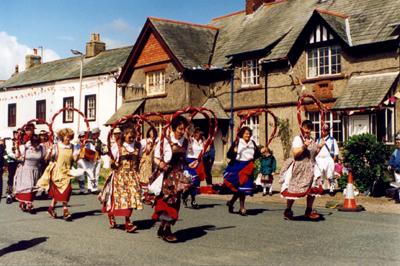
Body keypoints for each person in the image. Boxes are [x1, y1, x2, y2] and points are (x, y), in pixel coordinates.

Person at [152, 115, 192, 242]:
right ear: (173, 128)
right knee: (167, 203)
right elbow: (156, 157)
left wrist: (191, 164)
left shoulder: (185, 142)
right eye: (180, 129)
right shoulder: (165, 141)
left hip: (178, 177)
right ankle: (167, 230)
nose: (182, 131)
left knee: (175, 203)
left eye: (184, 129)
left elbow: (186, 159)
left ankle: (164, 227)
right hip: (167, 176)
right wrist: (161, 164)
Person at [280, 120, 324, 220]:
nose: (307, 130)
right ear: (302, 128)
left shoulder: (312, 139)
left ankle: (308, 210)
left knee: (313, 188)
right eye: (305, 128)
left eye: (309, 128)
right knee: (294, 189)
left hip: (311, 167)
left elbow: (313, 155)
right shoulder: (298, 139)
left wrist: (319, 147)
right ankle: (288, 210)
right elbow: (295, 154)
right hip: (300, 167)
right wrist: (304, 146)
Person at [103, 128, 143, 232]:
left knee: (133, 197)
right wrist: (113, 163)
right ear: (124, 135)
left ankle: (127, 221)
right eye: (129, 136)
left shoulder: (138, 145)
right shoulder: (117, 146)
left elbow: (139, 159)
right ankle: (126, 222)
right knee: (123, 198)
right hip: (120, 175)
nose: (132, 138)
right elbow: (112, 163)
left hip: (133, 175)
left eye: (133, 136)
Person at [37, 128, 77, 221]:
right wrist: (49, 152)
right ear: (62, 137)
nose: (68, 138)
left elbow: (75, 159)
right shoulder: (56, 146)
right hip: (57, 171)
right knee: (63, 190)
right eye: (67, 137)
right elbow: (46, 158)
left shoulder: (73, 147)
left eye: (70, 137)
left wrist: (79, 154)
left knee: (64, 190)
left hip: (67, 171)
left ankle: (51, 208)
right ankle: (65, 210)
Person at [224, 126, 261, 216]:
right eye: (246, 133)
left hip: (248, 167)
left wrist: (260, 152)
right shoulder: (237, 142)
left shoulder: (252, 143)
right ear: (242, 134)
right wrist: (234, 151)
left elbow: (257, 154)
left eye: (249, 133)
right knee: (239, 188)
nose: (248, 135)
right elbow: (229, 155)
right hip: (237, 166)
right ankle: (237, 205)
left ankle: (237, 205)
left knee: (242, 189)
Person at [14, 134, 45, 213]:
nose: (36, 144)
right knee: (27, 187)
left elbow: (44, 158)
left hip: (36, 170)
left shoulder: (41, 148)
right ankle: (29, 203)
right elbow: (18, 157)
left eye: (37, 142)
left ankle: (23, 202)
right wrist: (17, 150)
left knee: (33, 188)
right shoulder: (25, 147)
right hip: (25, 169)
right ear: (31, 141)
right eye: (34, 142)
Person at [182, 128, 204, 209]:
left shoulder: (202, 142)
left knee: (196, 183)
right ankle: (185, 195)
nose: (198, 135)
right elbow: (187, 134)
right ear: (194, 133)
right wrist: (187, 127)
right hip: (189, 162)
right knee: (190, 181)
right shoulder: (190, 140)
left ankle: (192, 200)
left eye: (199, 133)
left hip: (197, 162)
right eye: (197, 133)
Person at [315, 124, 339, 193]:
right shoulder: (318, 140)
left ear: (328, 131)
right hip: (319, 159)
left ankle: (331, 188)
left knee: (330, 174)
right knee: (319, 175)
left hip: (328, 159)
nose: (324, 132)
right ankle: (320, 188)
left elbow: (336, 152)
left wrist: (333, 161)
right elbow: (316, 150)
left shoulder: (332, 140)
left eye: (325, 130)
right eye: (323, 130)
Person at [139, 127, 158, 204]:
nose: (152, 134)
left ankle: (150, 196)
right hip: (145, 161)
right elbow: (140, 151)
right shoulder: (144, 141)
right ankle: (144, 196)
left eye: (153, 132)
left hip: (153, 162)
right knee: (144, 179)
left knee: (152, 179)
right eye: (151, 132)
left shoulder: (157, 141)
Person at [5, 131, 20, 204]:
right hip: (12, 162)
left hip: (19, 162)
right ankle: (8, 195)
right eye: (16, 134)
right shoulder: (10, 142)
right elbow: (9, 152)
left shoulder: (21, 142)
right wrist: (16, 157)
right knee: (11, 178)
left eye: (19, 134)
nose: (18, 135)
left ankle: (15, 194)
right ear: (14, 134)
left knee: (18, 178)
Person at [91, 128, 106, 194]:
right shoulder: (90, 141)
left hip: (98, 158)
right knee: (91, 173)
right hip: (92, 158)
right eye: (98, 133)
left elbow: (101, 150)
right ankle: (91, 187)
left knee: (96, 173)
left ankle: (95, 187)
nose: (99, 134)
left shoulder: (99, 141)